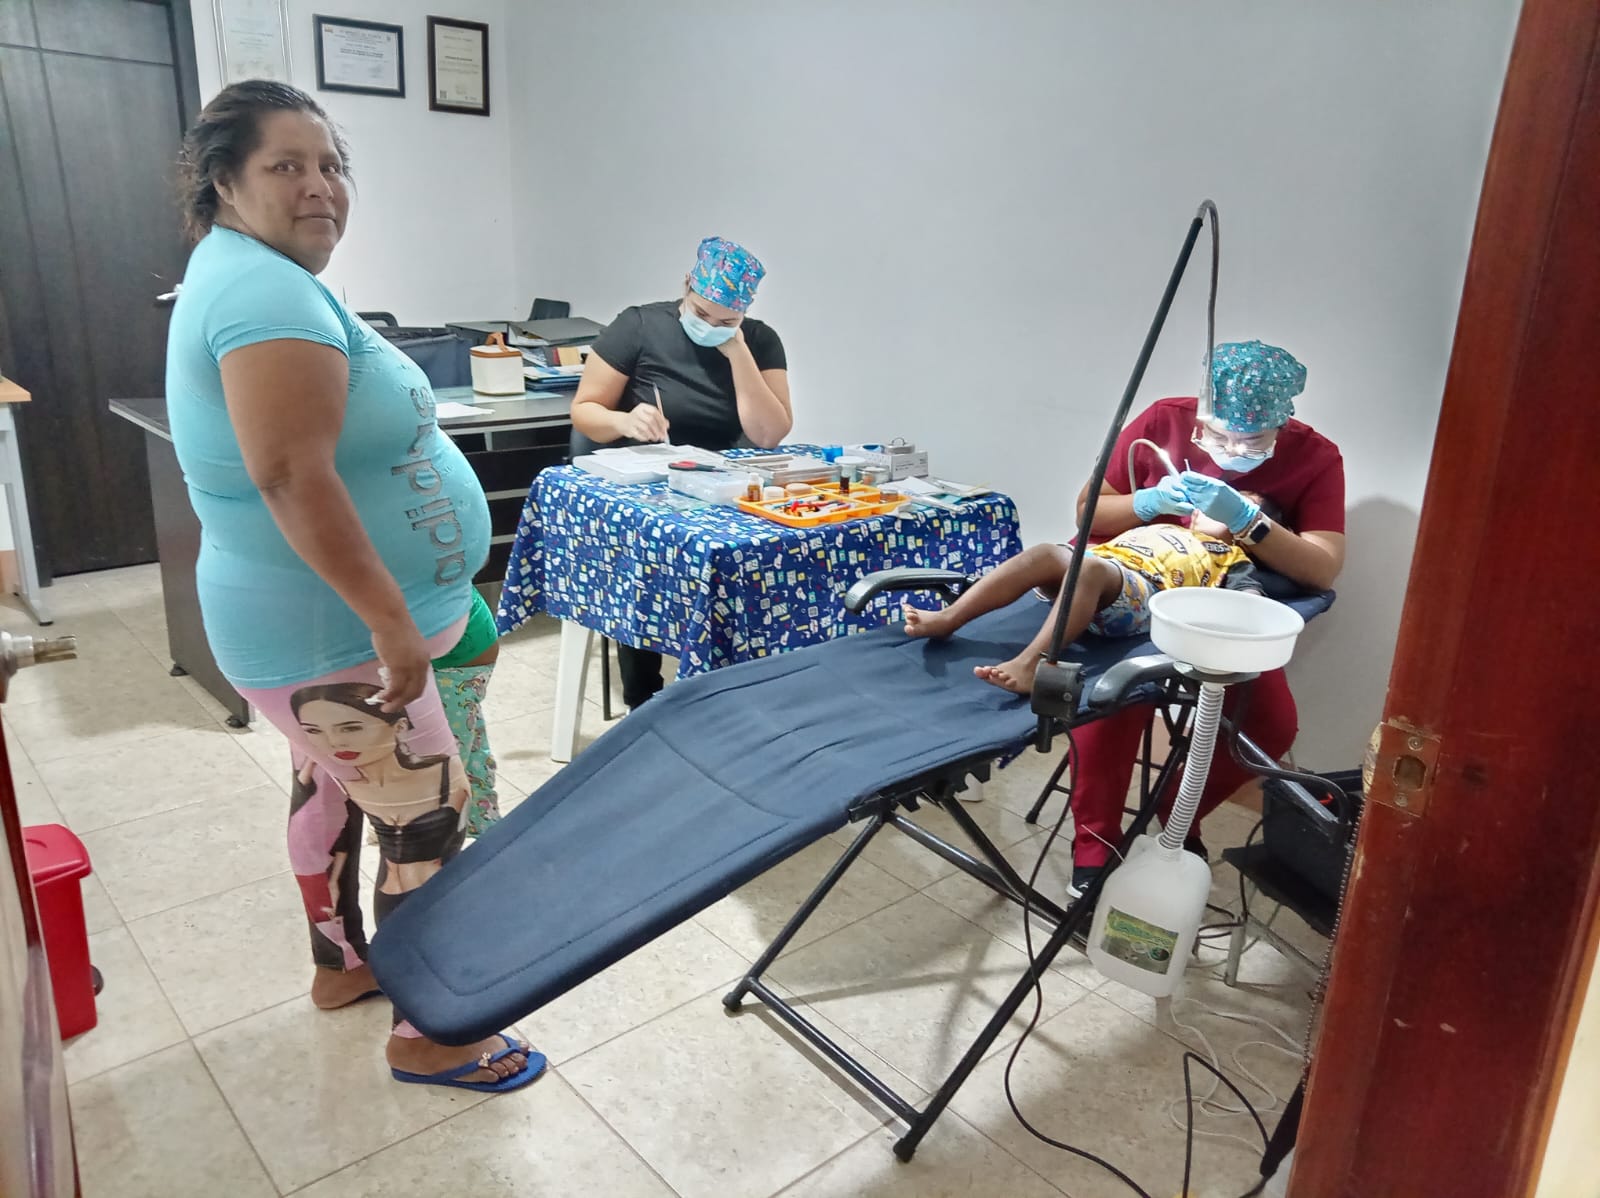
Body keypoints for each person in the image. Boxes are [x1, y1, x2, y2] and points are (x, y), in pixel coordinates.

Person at [166, 80, 539, 1092]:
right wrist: (391, 623)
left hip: (307, 632)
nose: (320, 186)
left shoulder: (248, 272)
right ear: (224, 181)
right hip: (332, 633)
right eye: (286, 165)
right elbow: (291, 474)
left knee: (328, 785)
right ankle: (435, 1031)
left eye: (330, 165)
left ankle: (343, 968)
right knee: (425, 815)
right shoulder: (262, 293)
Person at [1065, 340, 1345, 892]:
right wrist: (1149, 502)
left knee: (1270, 723)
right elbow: (1088, 512)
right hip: (1136, 583)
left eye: (1252, 441)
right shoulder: (1162, 420)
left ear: (1282, 422)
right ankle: (1095, 843)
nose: (1231, 449)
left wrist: (1248, 522)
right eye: (1216, 435)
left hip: (1221, 601)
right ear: (1200, 412)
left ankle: (1175, 814)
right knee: (1112, 697)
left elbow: (1322, 568)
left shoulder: (1314, 457)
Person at [570, 236, 792, 709]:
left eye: (726, 321)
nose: (710, 326)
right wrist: (624, 421)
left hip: (720, 483)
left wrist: (737, 352)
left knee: (761, 560)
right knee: (643, 558)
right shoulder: (639, 325)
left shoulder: (760, 341)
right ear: (687, 285)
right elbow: (585, 410)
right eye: (701, 313)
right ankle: (643, 700)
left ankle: (733, 691)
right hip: (648, 479)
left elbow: (769, 435)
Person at [902, 496, 1279, 692]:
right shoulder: (1165, 526)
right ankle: (949, 617)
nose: (1209, 506)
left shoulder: (1230, 555)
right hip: (1098, 573)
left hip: (1144, 595)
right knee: (1045, 553)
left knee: (1089, 569)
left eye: (1228, 504)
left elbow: (1250, 601)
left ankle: (1033, 663)